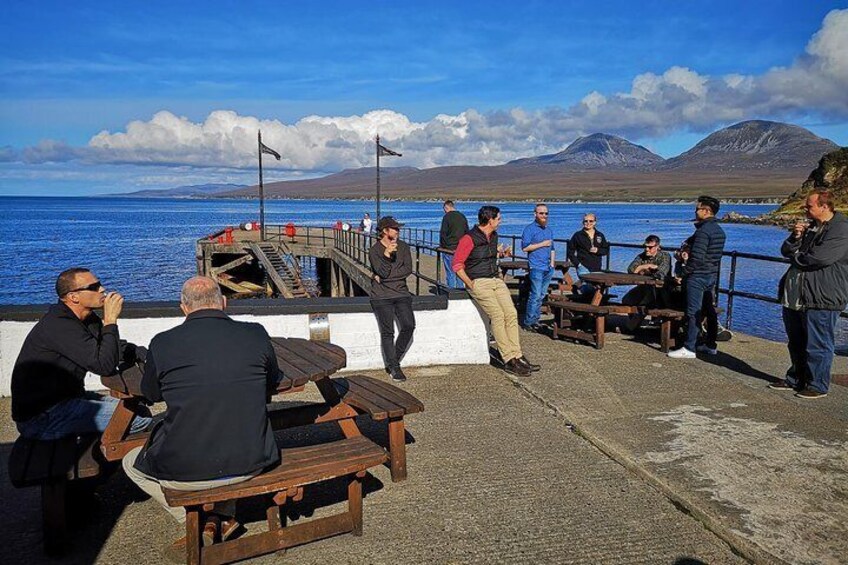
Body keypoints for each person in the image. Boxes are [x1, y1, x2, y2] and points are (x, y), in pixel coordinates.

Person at [123, 276, 281, 559]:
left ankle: (194, 521)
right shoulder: (256, 334)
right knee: (232, 430)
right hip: (253, 460)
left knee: (129, 462)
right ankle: (220, 518)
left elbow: (151, 393)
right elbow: (273, 380)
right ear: (224, 302)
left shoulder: (162, 343)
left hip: (184, 472)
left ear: (183, 308)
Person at [11, 268, 151, 440]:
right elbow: (104, 366)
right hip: (42, 416)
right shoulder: (59, 326)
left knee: (138, 410)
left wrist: (139, 352)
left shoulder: (86, 318)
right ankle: (100, 455)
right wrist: (110, 320)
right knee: (140, 419)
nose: (102, 289)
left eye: (99, 284)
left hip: (67, 398)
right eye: (93, 287)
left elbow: (110, 347)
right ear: (73, 297)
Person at [770, 191, 848, 399]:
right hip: (797, 295)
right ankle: (797, 378)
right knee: (796, 340)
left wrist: (796, 257)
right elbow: (786, 251)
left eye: (809, 206)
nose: (805, 209)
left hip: (822, 295)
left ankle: (817, 384)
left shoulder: (840, 229)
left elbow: (819, 258)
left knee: (818, 342)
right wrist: (795, 238)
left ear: (824, 206)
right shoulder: (812, 227)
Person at [453, 205, 540, 377]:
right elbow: (457, 264)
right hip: (479, 281)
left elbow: (487, 256)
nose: (500, 221)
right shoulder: (469, 238)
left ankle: (518, 354)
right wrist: (470, 284)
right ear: (489, 220)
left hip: (495, 279)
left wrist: (501, 254)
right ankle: (508, 359)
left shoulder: (493, 236)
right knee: (498, 315)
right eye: (498, 218)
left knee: (511, 313)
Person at [668, 196, 726, 359]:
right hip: (711, 274)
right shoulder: (718, 230)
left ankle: (689, 347)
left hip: (698, 276)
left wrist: (684, 272)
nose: (695, 211)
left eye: (697, 209)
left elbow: (698, 257)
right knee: (709, 309)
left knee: (693, 311)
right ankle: (710, 344)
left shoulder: (703, 231)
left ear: (707, 211)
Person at [369, 216, 416, 382]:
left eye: (398, 228)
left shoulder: (403, 247)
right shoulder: (375, 250)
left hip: (401, 293)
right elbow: (380, 271)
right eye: (394, 228)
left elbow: (408, 269)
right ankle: (395, 368)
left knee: (409, 325)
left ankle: (392, 360)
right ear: (385, 231)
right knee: (387, 332)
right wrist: (387, 256)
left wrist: (384, 277)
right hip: (381, 296)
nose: (398, 231)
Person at [521, 203, 555, 331]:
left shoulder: (548, 230)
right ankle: (529, 322)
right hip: (536, 267)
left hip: (548, 267)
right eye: (541, 213)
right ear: (535, 214)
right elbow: (525, 248)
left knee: (541, 295)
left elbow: (552, 248)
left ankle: (536, 319)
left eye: (546, 213)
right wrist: (542, 244)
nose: (544, 216)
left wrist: (552, 264)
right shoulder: (529, 229)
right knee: (535, 295)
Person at [623, 234, 672, 306]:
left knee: (642, 305)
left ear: (657, 247)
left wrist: (641, 270)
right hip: (643, 286)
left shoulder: (665, 256)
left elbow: (660, 273)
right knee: (626, 300)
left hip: (660, 289)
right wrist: (646, 266)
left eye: (650, 247)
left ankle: (639, 315)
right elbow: (630, 270)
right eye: (645, 247)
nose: (646, 249)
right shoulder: (641, 256)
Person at [568, 213, 610, 297]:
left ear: (595, 222)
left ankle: (578, 287)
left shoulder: (600, 235)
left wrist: (598, 250)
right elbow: (570, 251)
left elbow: (606, 250)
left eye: (591, 221)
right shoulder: (577, 235)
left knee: (599, 286)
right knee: (590, 287)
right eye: (585, 221)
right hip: (583, 266)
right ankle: (580, 289)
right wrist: (577, 264)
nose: (588, 223)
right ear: (583, 222)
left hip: (596, 267)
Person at [439, 200, 469, 289]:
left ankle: (451, 292)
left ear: (446, 207)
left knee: (450, 272)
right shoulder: (462, 216)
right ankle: (460, 291)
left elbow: (443, 233)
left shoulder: (446, 217)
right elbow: (467, 232)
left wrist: (442, 246)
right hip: (460, 249)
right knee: (460, 271)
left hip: (449, 248)